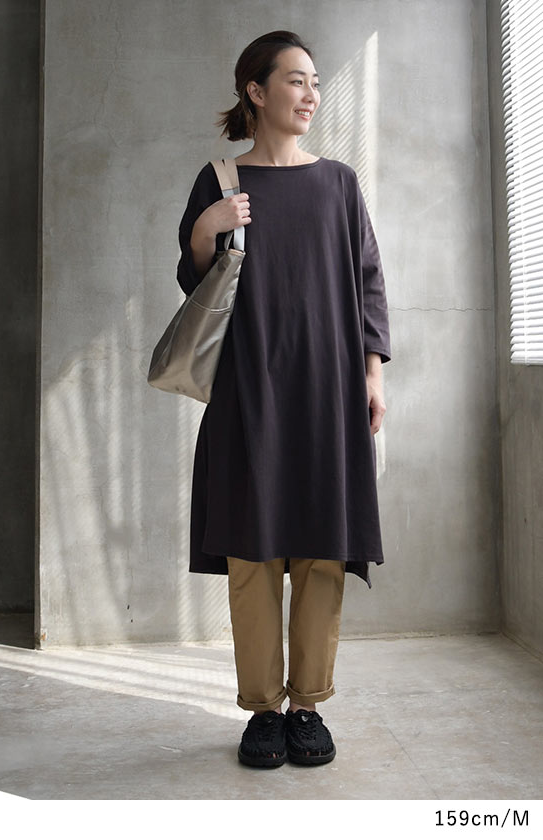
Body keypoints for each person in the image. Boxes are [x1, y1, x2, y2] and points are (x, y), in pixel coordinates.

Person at [175, 31, 391, 768]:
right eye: (295, 80)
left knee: (322, 549)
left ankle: (309, 707)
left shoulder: (338, 183)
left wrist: (372, 374)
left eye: (316, 82)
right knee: (253, 552)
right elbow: (196, 283)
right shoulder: (220, 180)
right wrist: (207, 229)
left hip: (328, 390)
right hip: (247, 389)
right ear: (256, 91)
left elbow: (367, 279)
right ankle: (263, 711)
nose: (310, 94)